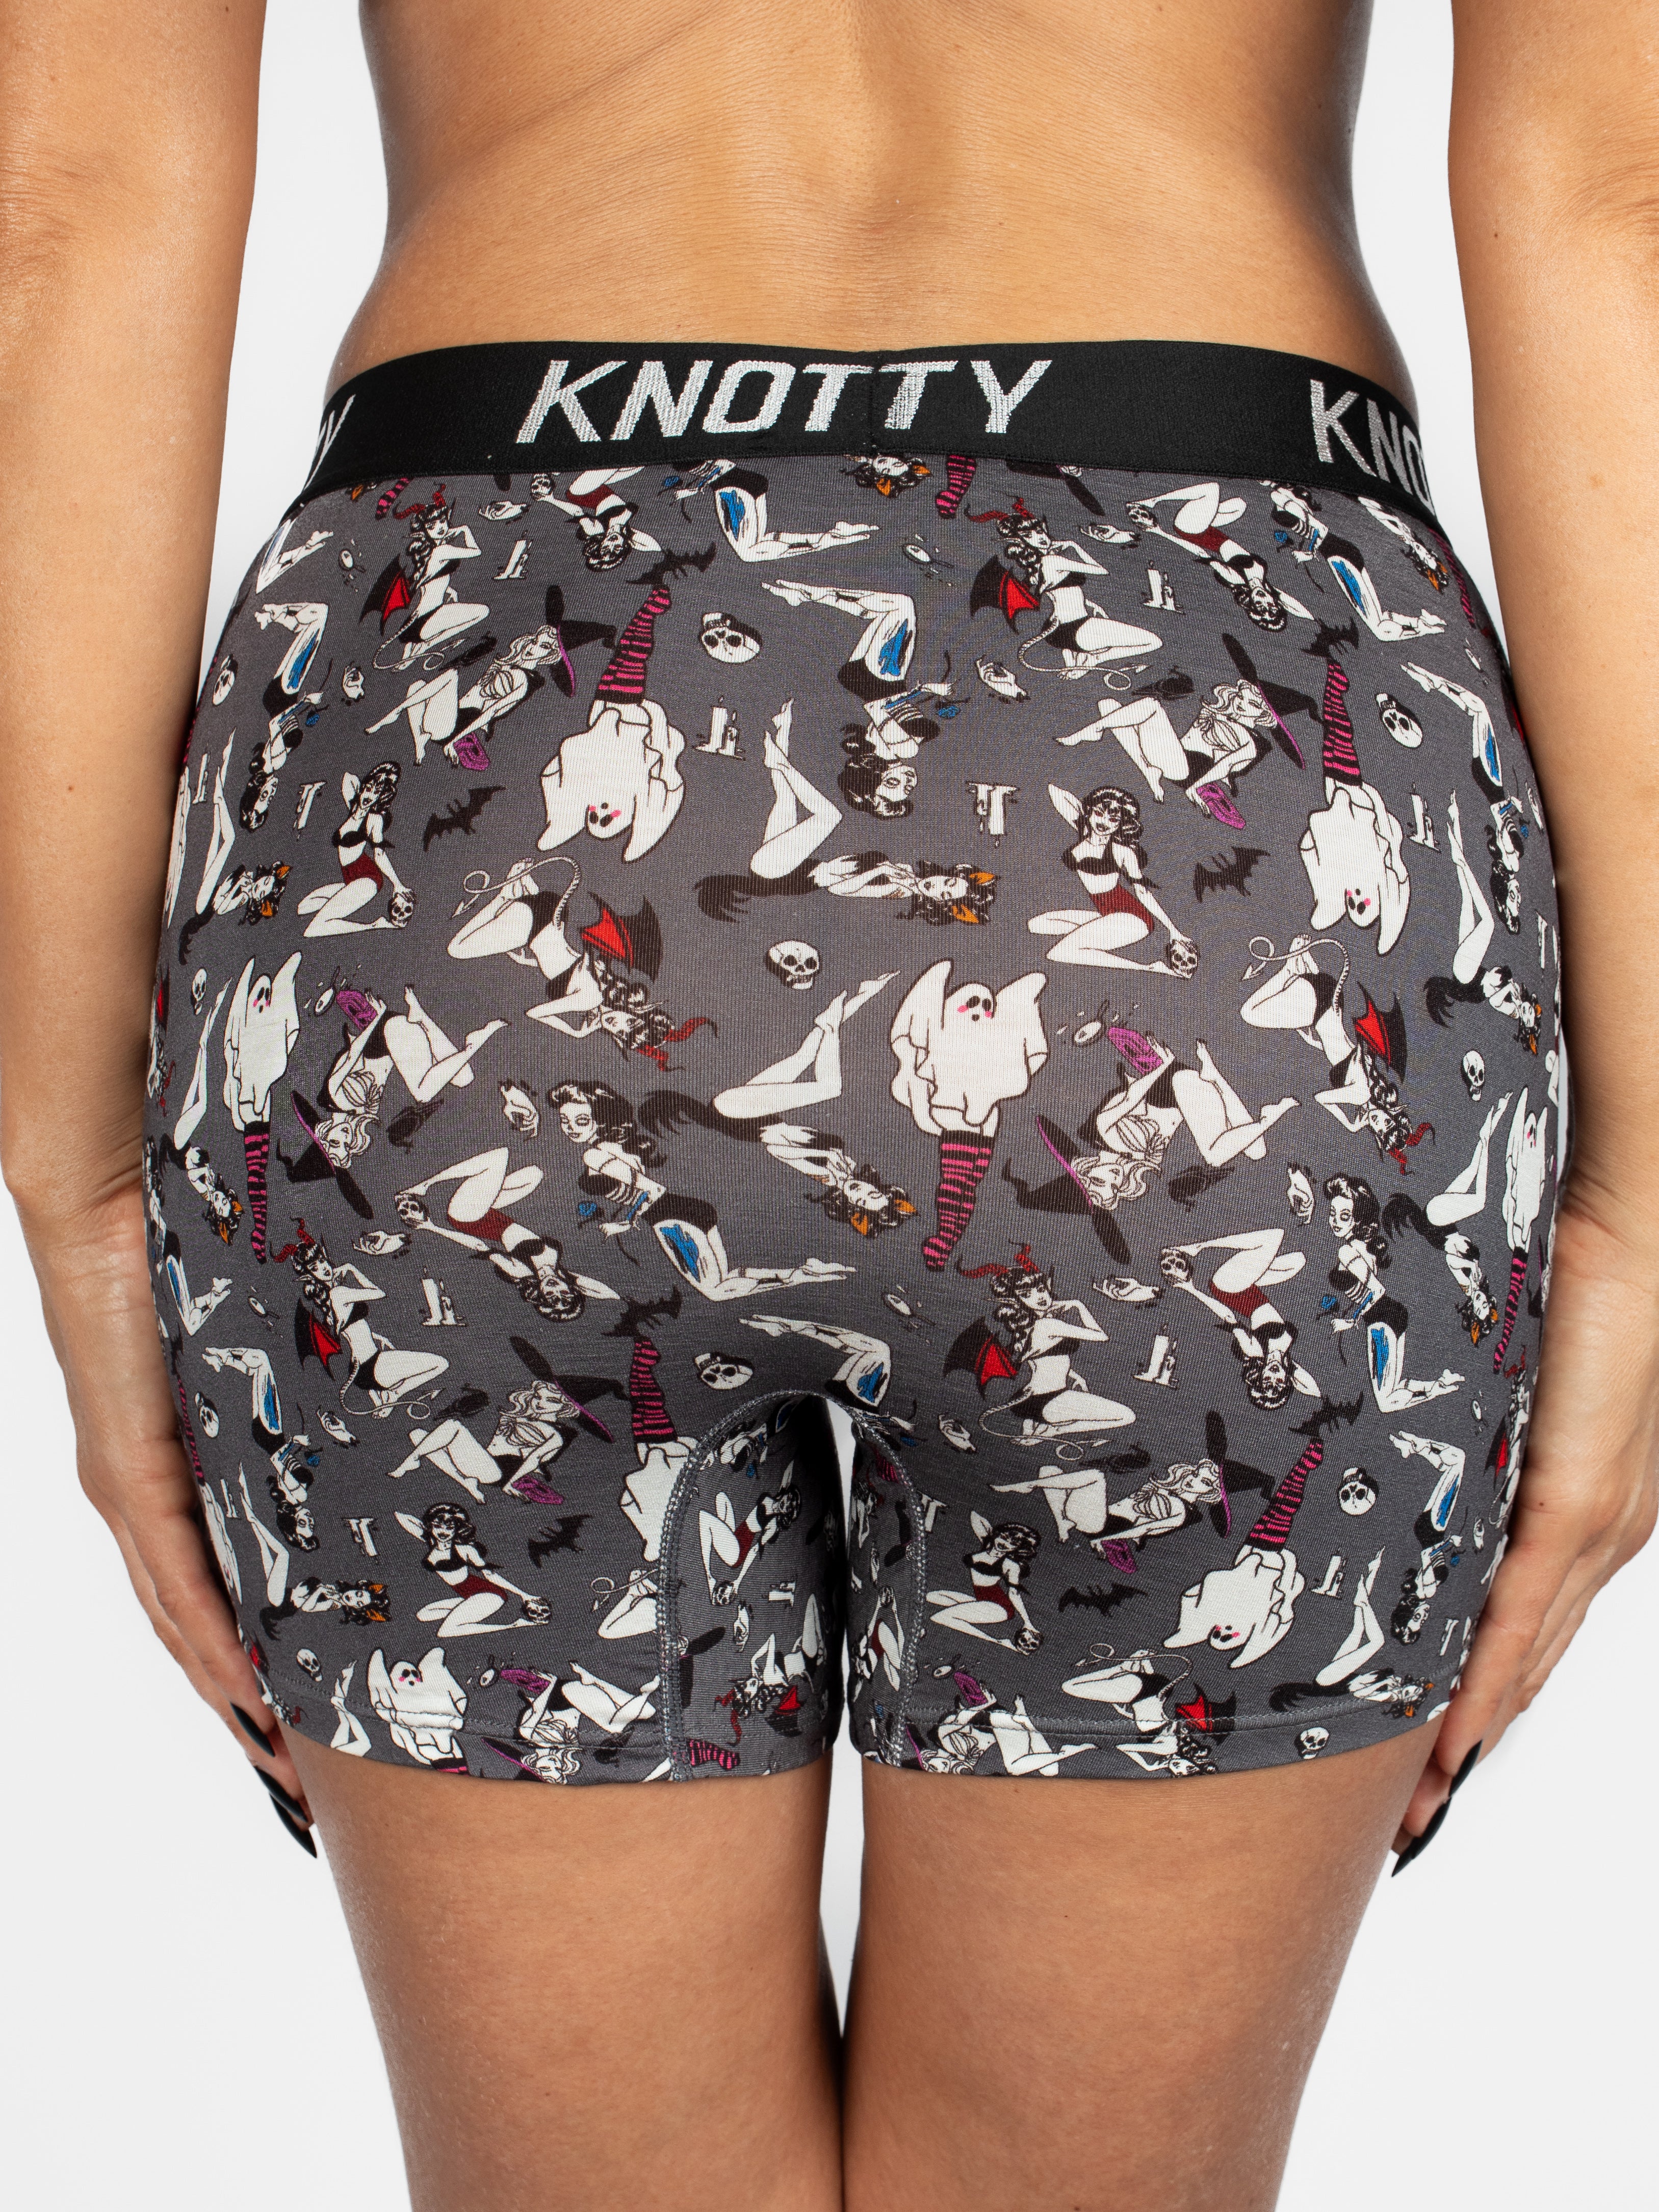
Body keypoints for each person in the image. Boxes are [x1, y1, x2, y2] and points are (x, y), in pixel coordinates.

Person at [2, 7, 1655, 2212]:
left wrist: (74, 1174)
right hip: (1225, 797)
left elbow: (60, 206)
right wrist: (1644, 1194)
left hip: (472, 762)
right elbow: (1614, 194)